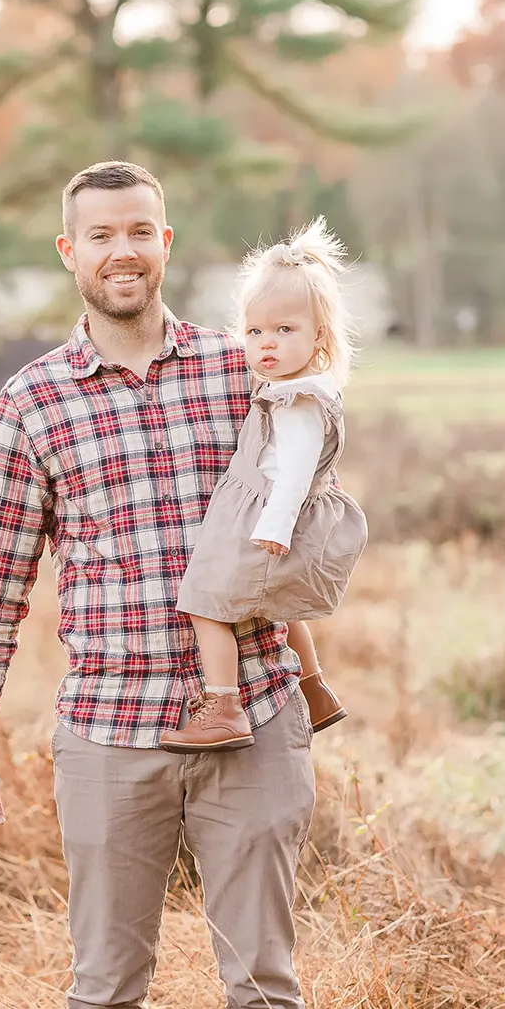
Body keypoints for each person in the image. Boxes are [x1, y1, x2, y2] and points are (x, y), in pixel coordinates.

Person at [0, 161, 316, 1009]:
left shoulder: (239, 371)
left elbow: (307, 492)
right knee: (107, 980)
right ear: (69, 253)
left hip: (254, 718)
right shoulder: (33, 402)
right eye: (99, 234)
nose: (121, 251)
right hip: (108, 731)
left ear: (165, 241)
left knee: (263, 976)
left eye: (139, 231)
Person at [163, 218, 362, 752]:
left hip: (263, 518)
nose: (266, 344)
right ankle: (314, 688)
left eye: (284, 331)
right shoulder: (293, 387)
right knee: (274, 609)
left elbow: (295, 471)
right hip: (261, 513)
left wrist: (274, 523)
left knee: (205, 603)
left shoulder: (297, 402)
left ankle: (223, 706)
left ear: (318, 337)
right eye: (255, 332)